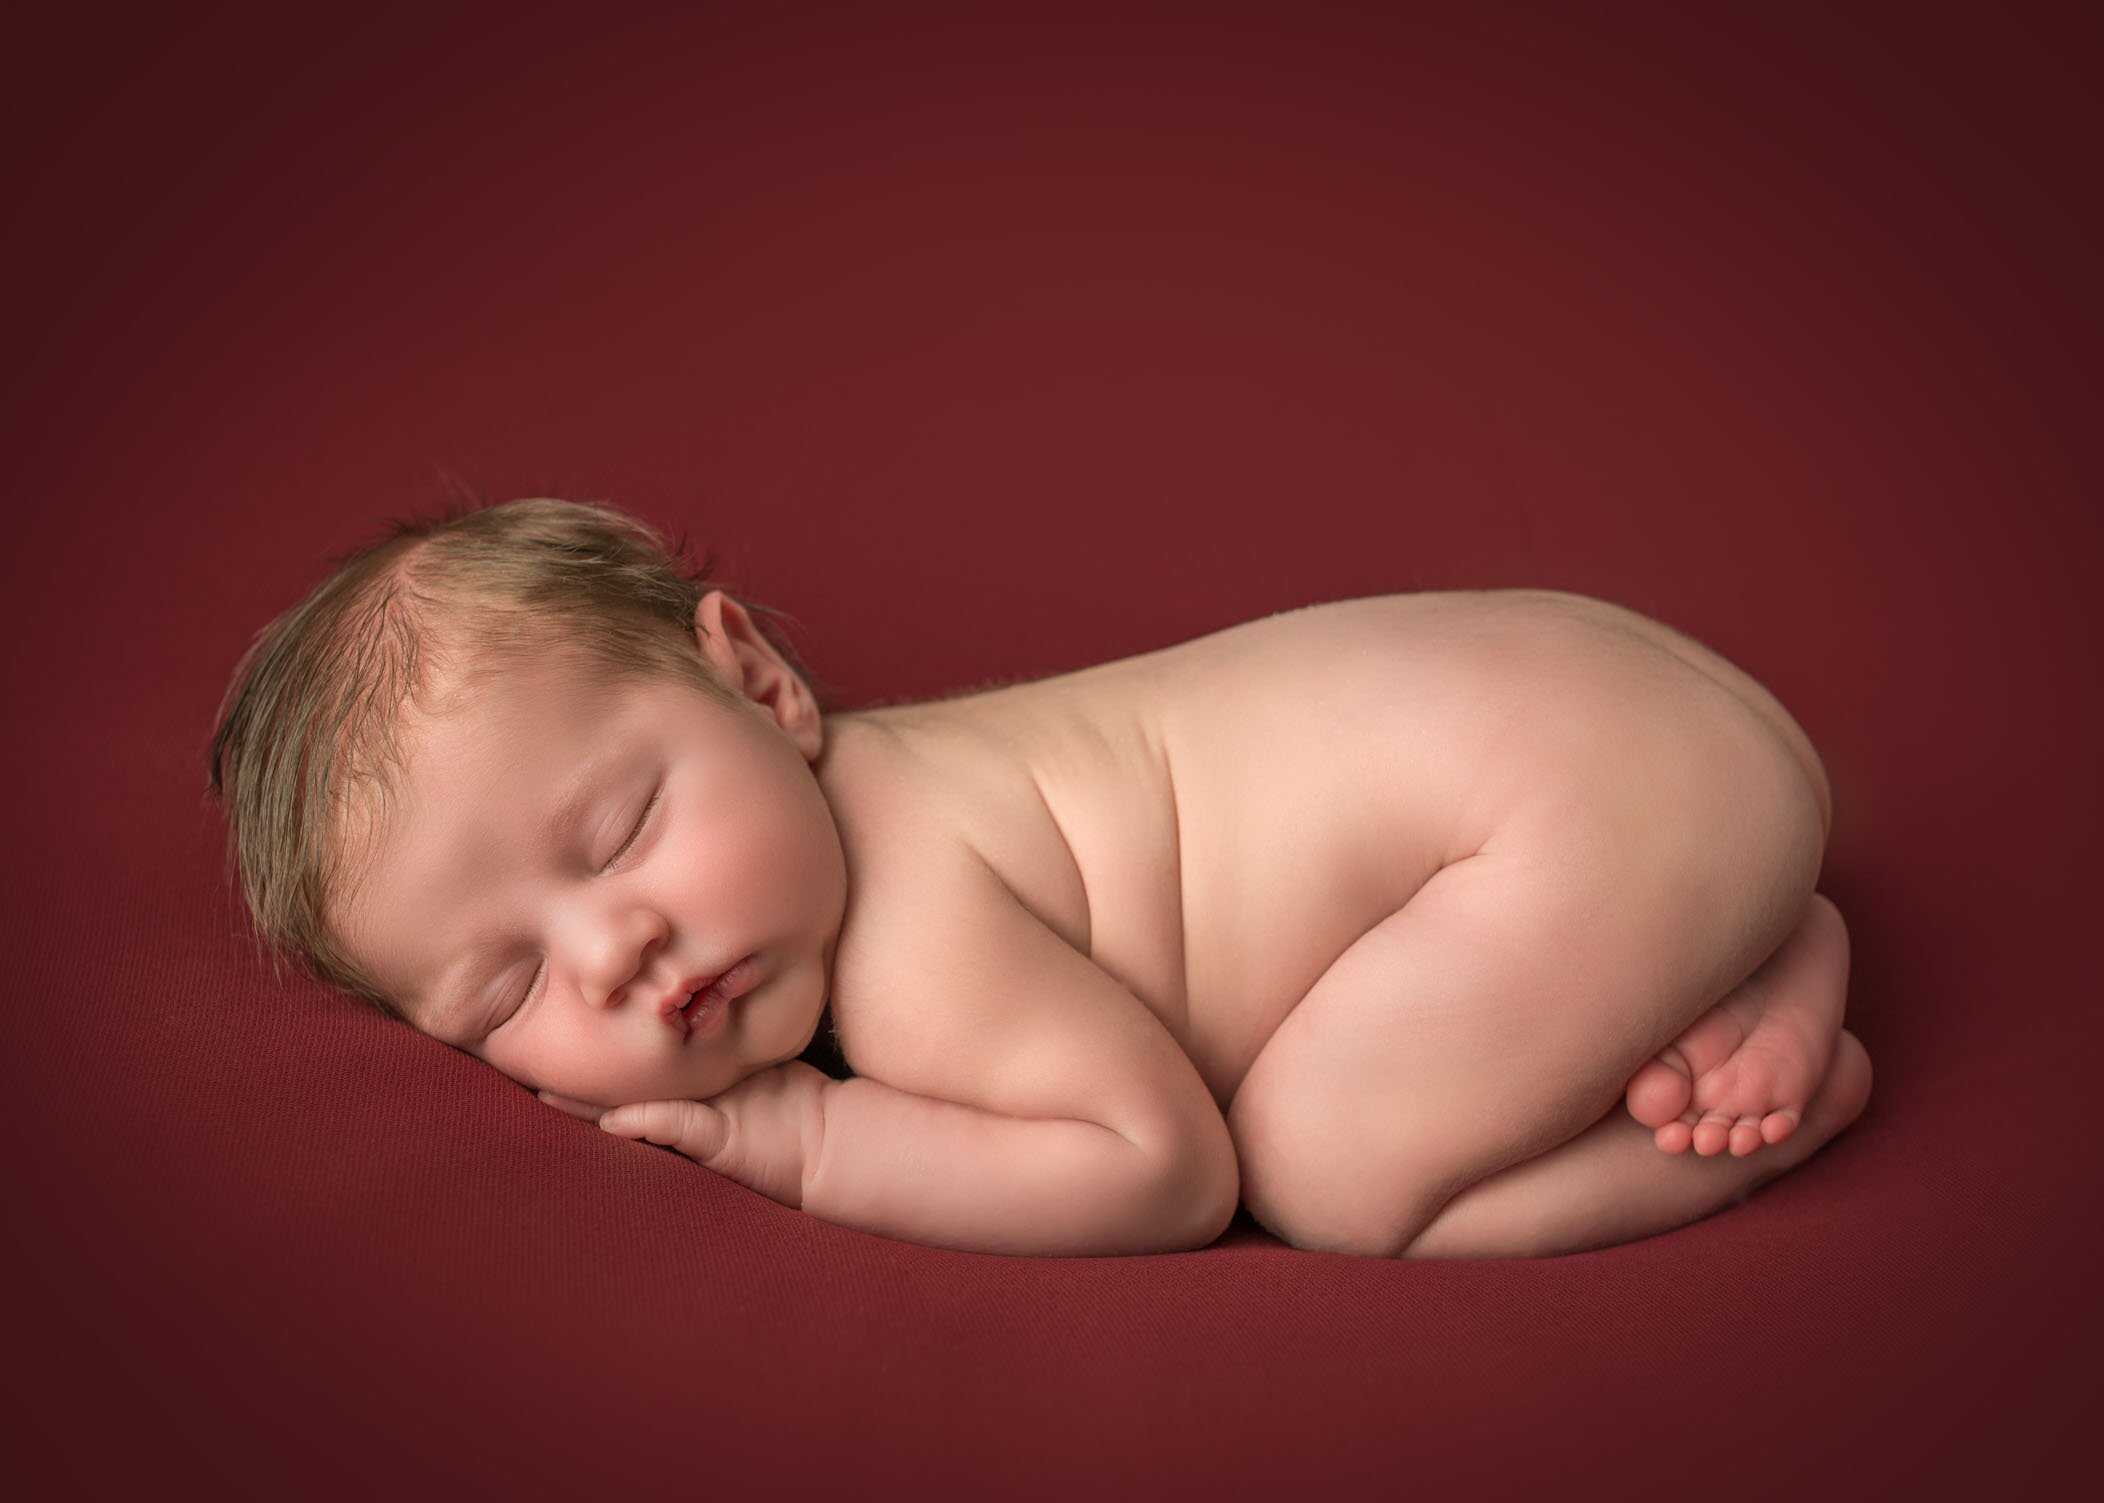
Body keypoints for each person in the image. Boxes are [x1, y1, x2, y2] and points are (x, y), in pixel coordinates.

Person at [205, 496, 1871, 1259]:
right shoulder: (884, 786)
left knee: (1329, 1180)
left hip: (1580, 794)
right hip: (1630, 714)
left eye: (619, 833)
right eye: (507, 989)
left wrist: (806, 1137)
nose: (615, 950)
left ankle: (1775, 1071)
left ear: (762, 685)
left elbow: (1159, 1170)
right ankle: (1739, 934)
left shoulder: (912, 922)